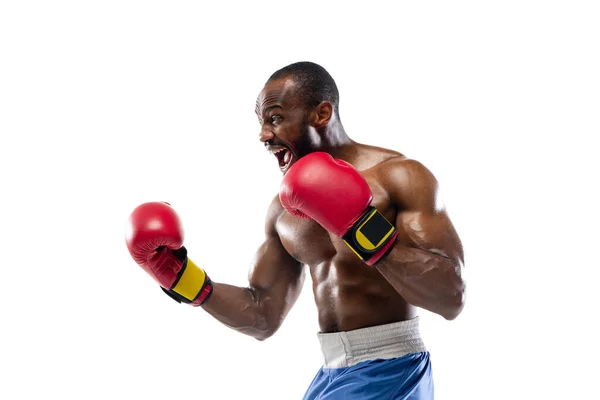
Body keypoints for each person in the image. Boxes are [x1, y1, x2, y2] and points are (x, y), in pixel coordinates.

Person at [125, 61, 465, 399]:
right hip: (331, 374)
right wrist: (178, 275)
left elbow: (452, 297)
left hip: (392, 368)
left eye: (275, 118)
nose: (263, 135)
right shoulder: (283, 211)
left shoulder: (400, 177)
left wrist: (359, 225)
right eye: (261, 123)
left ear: (322, 113)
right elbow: (262, 315)